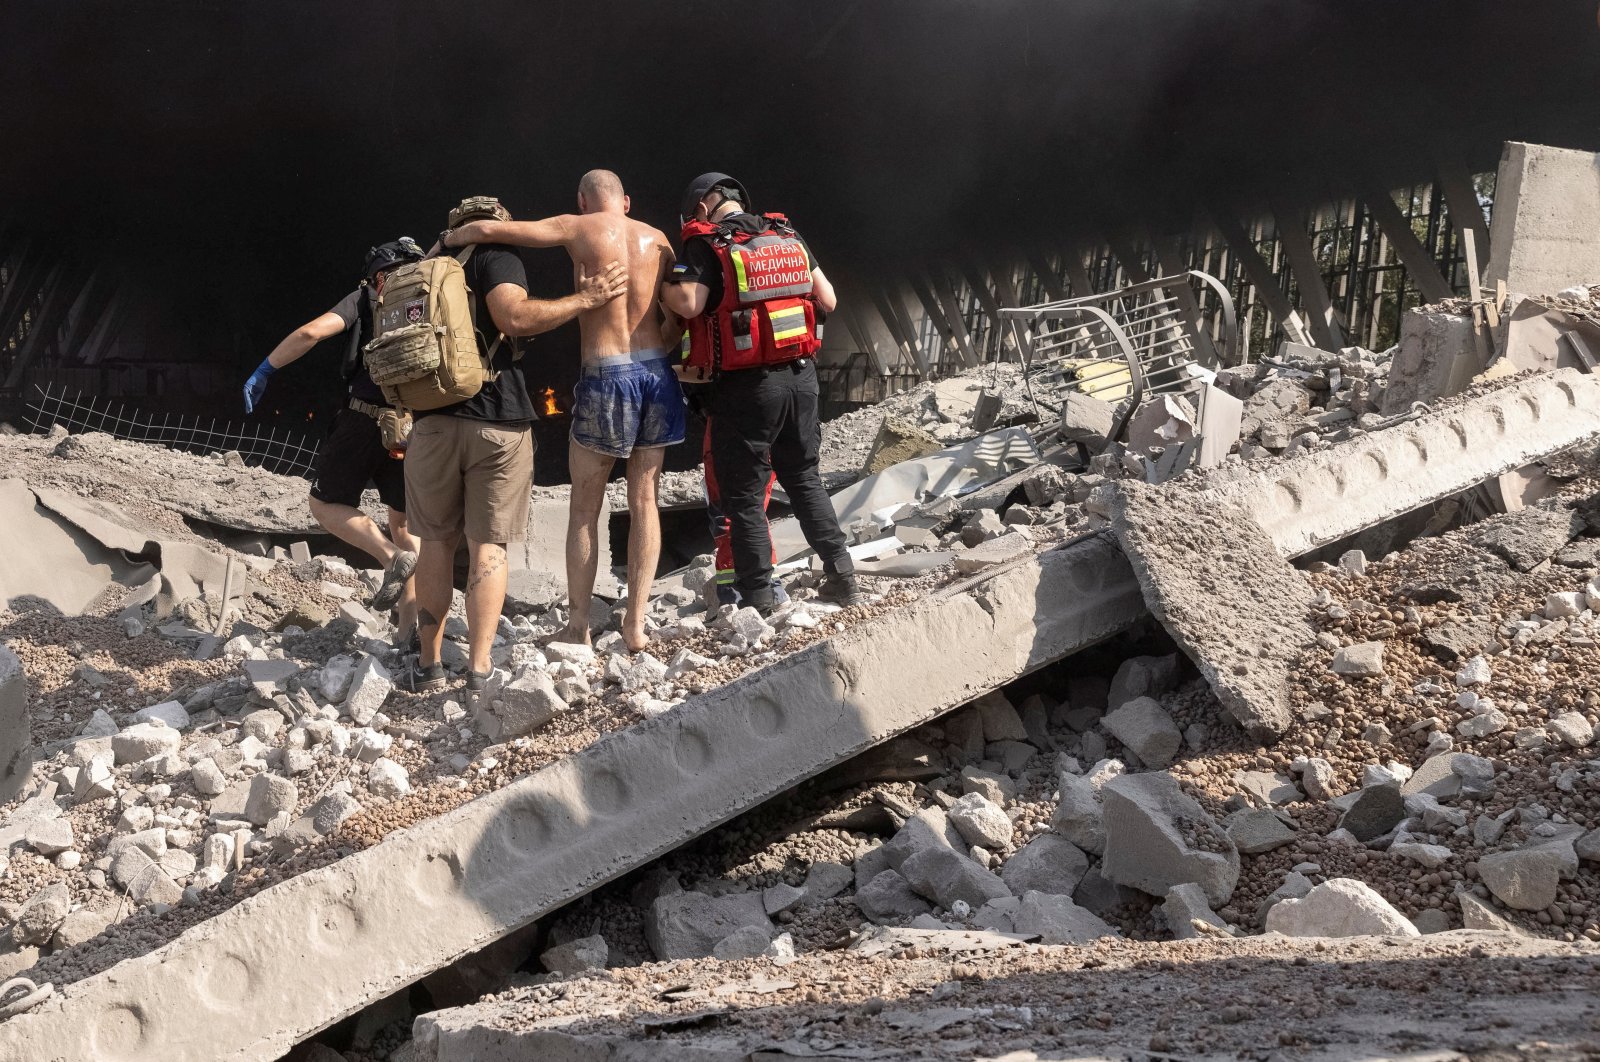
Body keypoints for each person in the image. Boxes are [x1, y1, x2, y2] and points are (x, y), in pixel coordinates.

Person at [443, 170, 682, 651]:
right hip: (657, 374)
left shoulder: (580, 226)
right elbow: (674, 322)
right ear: (627, 201)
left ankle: (578, 627)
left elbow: (496, 230)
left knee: (584, 510)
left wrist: (452, 237)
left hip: (607, 373)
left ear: (582, 199)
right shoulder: (660, 243)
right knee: (644, 501)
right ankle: (635, 626)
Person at [405, 196, 628, 691]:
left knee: (436, 545)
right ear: (494, 227)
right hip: (496, 422)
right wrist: (585, 300)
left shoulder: (422, 270)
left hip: (430, 425)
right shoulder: (495, 256)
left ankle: (428, 664)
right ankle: (480, 666)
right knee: (489, 545)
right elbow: (515, 319)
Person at [660, 173, 862, 615]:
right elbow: (827, 298)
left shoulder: (708, 243)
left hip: (747, 389)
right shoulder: (786, 235)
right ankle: (842, 574)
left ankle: (758, 598)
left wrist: (664, 285)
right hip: (801, 379)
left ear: (701, 206)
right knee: (805, 478)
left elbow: (691, 304)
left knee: (745, 499)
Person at [243, 238, 426, 640]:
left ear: (378, 275)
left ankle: (389, 557)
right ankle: (412, 634)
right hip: (417, 424)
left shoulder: (369, 295)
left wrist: (265, 369)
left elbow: (311, 332)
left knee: (325, 504)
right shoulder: (435, 296)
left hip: (365, 421)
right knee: (404, 521)